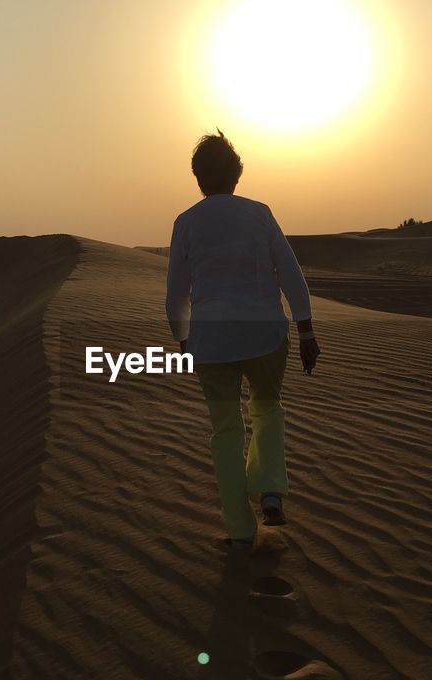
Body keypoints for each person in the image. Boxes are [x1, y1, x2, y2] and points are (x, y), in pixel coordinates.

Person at [165, 131, 320, 551]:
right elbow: (291, 275)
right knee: (268, 409)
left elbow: (175, 295)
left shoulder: (186, 223)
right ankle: (270, 491)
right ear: (237, 175)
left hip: (211, 342)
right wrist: (306, 331)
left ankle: (239, 530)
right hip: (266, 333)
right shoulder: (259, 213)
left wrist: (184, 342)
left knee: (226, 431)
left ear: (198, 177)